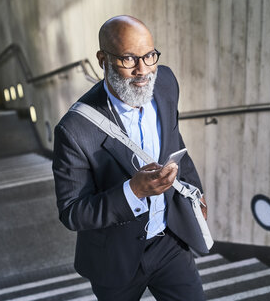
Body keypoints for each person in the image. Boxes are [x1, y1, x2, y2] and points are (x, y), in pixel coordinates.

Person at [52, 15, 209, 301]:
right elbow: (72, 212)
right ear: (103, 59)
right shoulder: (73, 130)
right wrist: (133, 191)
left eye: (150, 56)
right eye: (128, 59)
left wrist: (194, 190)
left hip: (170, 242)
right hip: (114, 258)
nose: (143, 70)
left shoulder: (166, 84)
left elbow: (176, 140)